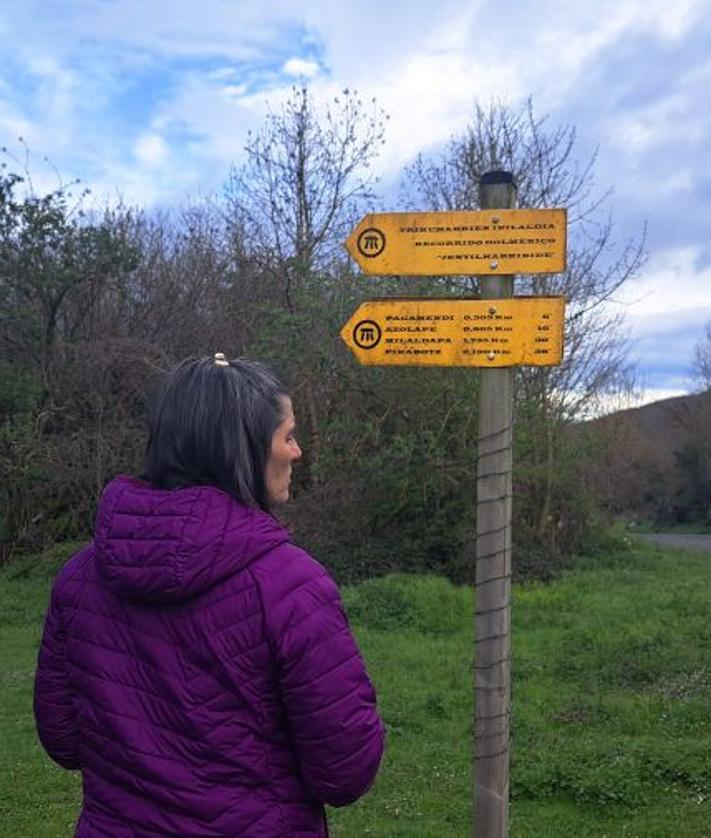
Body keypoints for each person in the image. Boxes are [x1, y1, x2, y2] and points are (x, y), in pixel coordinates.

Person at [34, 354, 385, 837]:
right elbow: (344, 770)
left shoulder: (78, 579)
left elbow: (63, 739)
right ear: (241, 450)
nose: (297, 452)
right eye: (287, 435)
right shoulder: (292, 586)